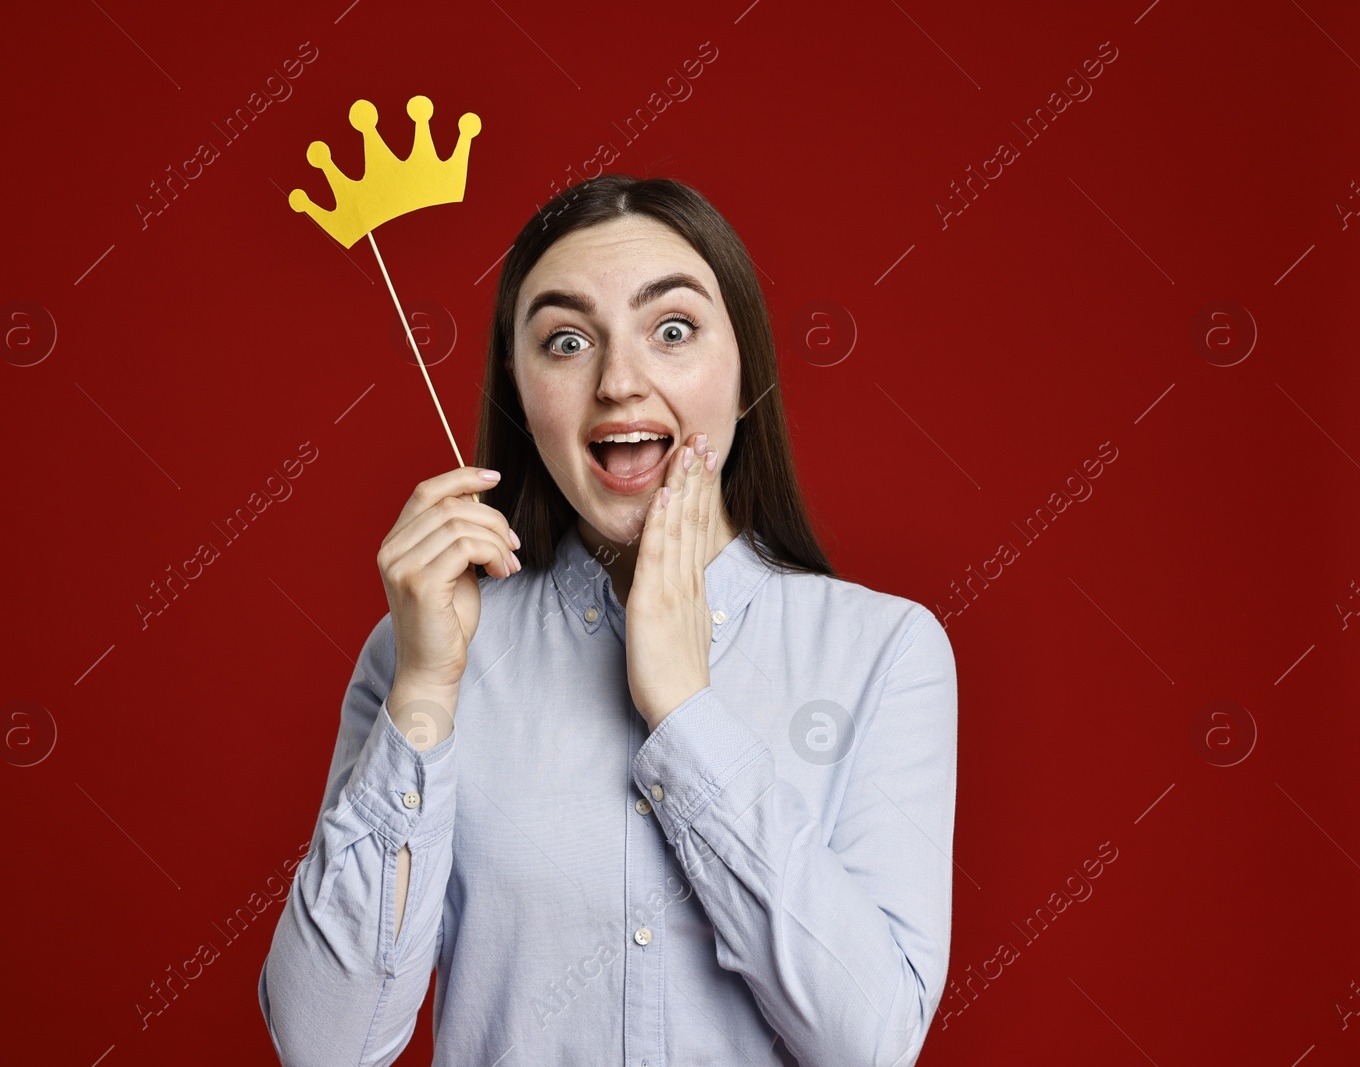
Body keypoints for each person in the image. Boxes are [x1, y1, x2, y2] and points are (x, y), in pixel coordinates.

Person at [258, 174, 958, 1066]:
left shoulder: (885, 653)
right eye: (565, 340)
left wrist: (684, 712)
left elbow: (871, 1043)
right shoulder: (421, 649)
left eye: (672, 330)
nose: (620, 382)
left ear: (743, 367)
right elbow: (323, 1045)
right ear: (519, 391)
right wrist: (426, 689)